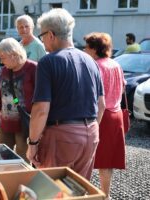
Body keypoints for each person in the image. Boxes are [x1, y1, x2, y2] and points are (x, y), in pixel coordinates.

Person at [26, 8, 105, 180]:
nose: (43, 41)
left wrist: (32, 143)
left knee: (52, 190)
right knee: (79, 190)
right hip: (91, 134)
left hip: (61, 136)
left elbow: (40, 109)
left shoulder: (48, 61)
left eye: (42, 36)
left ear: (51, 35)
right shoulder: (91, 61)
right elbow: (101, 105)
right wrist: (89, 130)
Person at [84, 32, 126, 200]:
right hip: (116, 115)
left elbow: (91, 95)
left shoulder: (95, 66)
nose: (85, 49)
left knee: (86, 157)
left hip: (100, 116)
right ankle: (106, 195)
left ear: (95, 49)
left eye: (87, 46)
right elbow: (123, 89)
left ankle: (83, 192)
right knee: (107, 161)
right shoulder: (116, 64)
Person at [0, 38, 37, 161]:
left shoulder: (33, 69)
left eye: (3, 57)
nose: (0, 61)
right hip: (5, 125)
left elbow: (41, 101)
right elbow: (0, 96)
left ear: (14, 54)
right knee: (1, 158)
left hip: (25, 126)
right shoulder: (5, 70)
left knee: (23, 161)